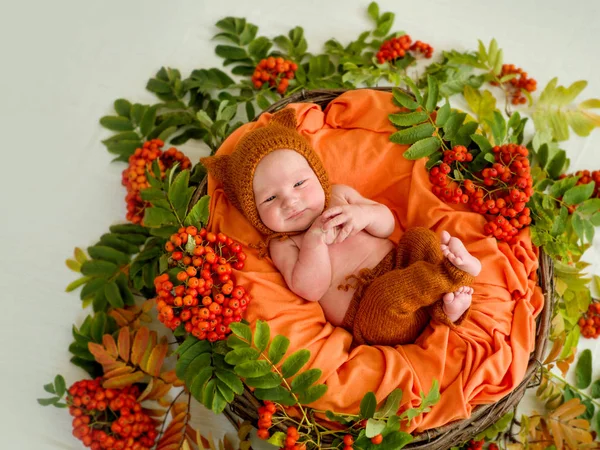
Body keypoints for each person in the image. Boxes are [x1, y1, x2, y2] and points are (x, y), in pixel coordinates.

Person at [201, 108, 481, 346]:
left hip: (401, 264)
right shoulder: (284, 243)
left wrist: (362, 215)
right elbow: (310, 289)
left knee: (418, 238)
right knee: (388, 295)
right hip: (371, 314)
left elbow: (387, 225)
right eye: (271, 198)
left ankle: (448, 308)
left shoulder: (339, 195)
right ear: (255, 213)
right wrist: (314, 241)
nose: (291, 200)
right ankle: (454, 274)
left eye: (299, 184)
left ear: (317, 174)